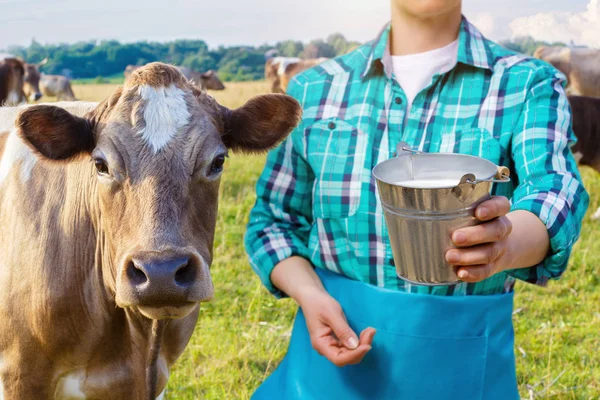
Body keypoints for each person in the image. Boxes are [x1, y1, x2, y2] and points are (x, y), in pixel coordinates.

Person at [244, 0, 589, 398]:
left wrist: (504, 244)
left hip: (459, 371)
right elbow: (272, 220)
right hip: (326, 368)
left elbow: (554, 193)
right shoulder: (315, 88)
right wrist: (310, 295)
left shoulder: (527, 83)